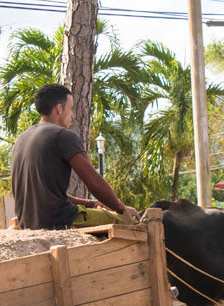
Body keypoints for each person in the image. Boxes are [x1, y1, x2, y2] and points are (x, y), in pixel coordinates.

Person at [9, 84, 139, 230]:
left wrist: (90, 203)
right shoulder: (63, 136)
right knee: (126, 221)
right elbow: (94, 183)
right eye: (71, 108)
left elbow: (48, 192)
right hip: (60, 220)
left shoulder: (21, 139)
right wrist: (122, 209)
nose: (73, 115)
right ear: (59, 108)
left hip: (26, 224)